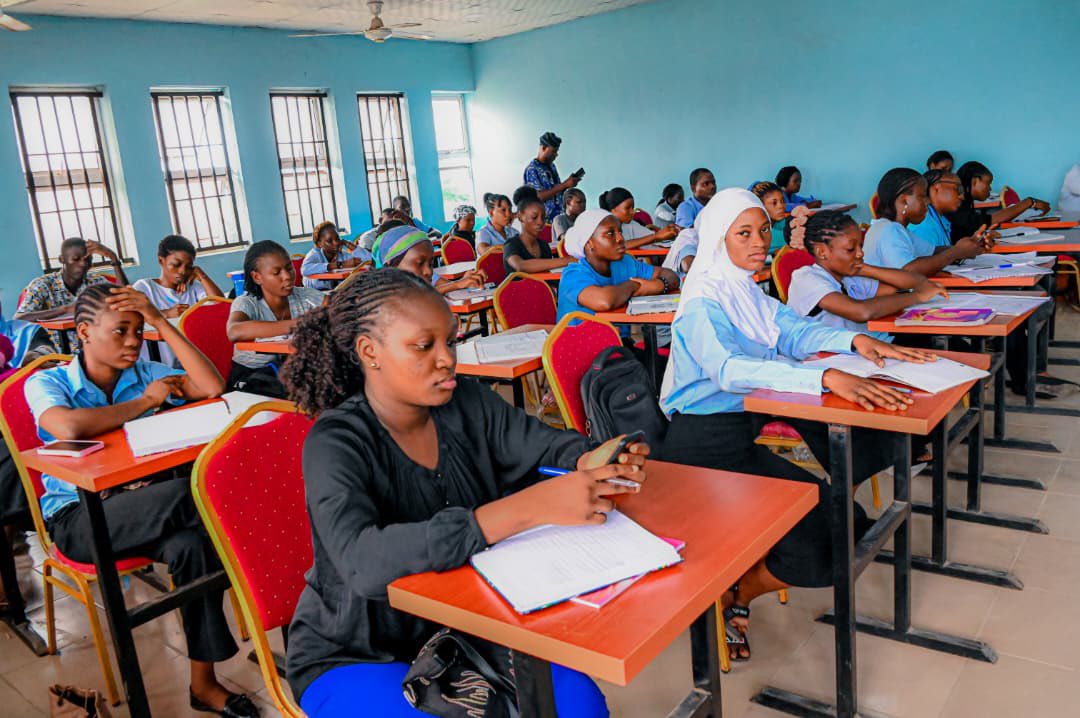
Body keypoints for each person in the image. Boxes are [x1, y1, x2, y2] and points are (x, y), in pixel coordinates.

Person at [279, 269, 643, 717]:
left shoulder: (466, 401)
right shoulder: (335, 441)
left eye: (450, 341)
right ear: (369, 352)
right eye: (423, 346)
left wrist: (590, 457)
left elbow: (542, 443)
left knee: (576, 703)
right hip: (358, 651)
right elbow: (362, 563)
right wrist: (519, 511)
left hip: (467, 624)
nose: (446, 358)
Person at [658, 188, 935, 659]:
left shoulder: (745, 291)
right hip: (700, 453)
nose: (759, 241)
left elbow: (794, 329)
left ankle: (741, 589)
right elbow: (727, 369)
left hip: (743, 437)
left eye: (764, 230)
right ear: (718, 239)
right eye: (743, 233)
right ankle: (735, 592)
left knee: (844, 518)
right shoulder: (702, 302)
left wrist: (855, 345)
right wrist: (826, 374)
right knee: (820, 542)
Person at [25, 283, 258, 717]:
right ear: (83, 332)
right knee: (204, 491)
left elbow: (210, 386)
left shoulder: (145, 373)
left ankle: (202, 684)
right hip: (79, 518)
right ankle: (265, 546)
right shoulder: (48, 381)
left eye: (137, 330)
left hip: (146, 511)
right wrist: (145, 404)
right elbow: (67, 427)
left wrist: (159, 320)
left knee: (194, 548)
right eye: (120, 331)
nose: (133, 341)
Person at [788, 210, 947, 340]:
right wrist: (918, 297)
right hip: (832, 359)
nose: (860, 253)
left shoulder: (849, 277)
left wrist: (866, 268)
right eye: (851, 249)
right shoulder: (806, 278)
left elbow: (913, 283)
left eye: (861, 246)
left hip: (869, 348)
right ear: (822, 252)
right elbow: (861, 312)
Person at [225, 241, 324, 397]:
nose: (287, 276)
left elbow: (336, 308)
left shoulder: (303, 295)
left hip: (292, 370)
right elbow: (235, 331)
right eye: (277, 272)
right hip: (252, 380)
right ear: (257, 277)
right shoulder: (248, 302)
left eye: (289, 268)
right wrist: (298, 323)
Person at [557, 209, 679, 323]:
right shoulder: (573, 274)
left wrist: (659, 284)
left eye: (620, 232)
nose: (620, 238)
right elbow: (604, 301)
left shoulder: (625, 262)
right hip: (579, 343)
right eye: (610, 233)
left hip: (617, 341)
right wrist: (635, 285)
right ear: (589, 243)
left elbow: (671, 276)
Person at [863, 168, 989, 277]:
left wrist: (968, 246)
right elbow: (908, 271)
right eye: (922, 196)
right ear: (904, 201)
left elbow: (933, 251)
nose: (927, 202)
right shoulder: (889, 230)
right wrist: (955, 252)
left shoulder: (899, 229)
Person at [16, 238, 129, 351]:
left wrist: (113, 258)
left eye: (87, 259)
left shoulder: (95, 282)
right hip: (53, 352)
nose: (83, 264)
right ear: (62, 259)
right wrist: (65, 309)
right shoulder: (43, 285)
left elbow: (126, 296)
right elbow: (19, 318)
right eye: (76, 259)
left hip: (93, 350)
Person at [132, 234, 225, 366]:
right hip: (160, 363)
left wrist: (201, 275)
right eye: (176, 264)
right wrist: (165, 314)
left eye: (189, 267)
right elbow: (131, 316)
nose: (182, 271)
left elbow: (220, 304)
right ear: (161, 260)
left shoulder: (194, 287)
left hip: (192, 362)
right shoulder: (145, 287)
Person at [948, 161, 1052, 242]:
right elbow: (991, 220)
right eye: (988, 183)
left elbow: (984, 223)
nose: (990, 188)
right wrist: (1028, 202)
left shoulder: (965, 203)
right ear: (975, 181)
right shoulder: (956, 205)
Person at [375, 224, 486, 295]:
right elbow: (417, 297)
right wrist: (456, 285)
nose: (429, 271)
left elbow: (440, 285)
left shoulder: (422, 276)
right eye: (419, 263)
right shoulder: (385, 295)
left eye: (431, 263)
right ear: (391, 266)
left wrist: (465, 282)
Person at [503, 197, 575, 274]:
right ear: (520, 217)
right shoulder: (511, 244)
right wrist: (568, 260)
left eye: (543, 218)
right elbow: (520, 266)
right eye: (534, 217)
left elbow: (547, 274)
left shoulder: (544, 245)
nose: (540, 222)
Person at [524, 131, 581, 220]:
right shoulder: (532, 169)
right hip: (542, 223)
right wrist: (564, 185)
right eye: (554, 151)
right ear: (543, 148)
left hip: (557, 220)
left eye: (557, 151)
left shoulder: (552, 166)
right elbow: (537, 197)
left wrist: (568, 184)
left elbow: (556, 192)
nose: (556, 154)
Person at [598, 187, 679, 250]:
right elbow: (618, 245)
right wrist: (656, 236)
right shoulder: (603, 227)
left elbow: (651, 236)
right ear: (613, 209)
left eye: (632, 207)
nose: (632, 212)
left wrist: (669, 233)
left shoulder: (631, 224)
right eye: (627, 208)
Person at [907, 170, 966, 250]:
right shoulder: (923, 224)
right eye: (958, 189)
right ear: (936, 188)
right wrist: (959, 251)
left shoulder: (940, 219)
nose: (962, 197)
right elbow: (927, 261)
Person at [302, 222, 363, 291]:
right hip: (314, 294)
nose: (336, 243)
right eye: (329, 241)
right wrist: (340, 264)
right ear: (319, 244)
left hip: (334, 293)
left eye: (337, 238)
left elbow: (368, 260)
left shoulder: (341, 254)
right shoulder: (315, 254)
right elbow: (304, 269)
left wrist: (347, 243)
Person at [749, 181, 789, 253]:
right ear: (760, 206)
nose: (781, 206)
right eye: (774, 203)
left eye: (782, 201)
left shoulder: (786, 224)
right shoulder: (755, 233)